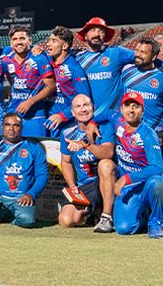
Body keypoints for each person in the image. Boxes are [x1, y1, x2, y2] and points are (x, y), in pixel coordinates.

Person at [112, 92, 163, 239]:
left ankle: (156, 222)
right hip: (130, 188)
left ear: (142, 110)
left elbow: (157, 168)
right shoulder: (116, 121)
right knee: (124, 228)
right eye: (127, 106)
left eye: (136, 106)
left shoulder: (148, 134)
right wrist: (92, 124)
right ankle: (145, 216)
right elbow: (103, 114)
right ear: (121, 109)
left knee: (158, 183)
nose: (131, 110)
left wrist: (126, 178)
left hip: (146, 184)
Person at [57, 95, 115, 230]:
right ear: (72, 112)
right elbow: (66, 162)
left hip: (107, 182)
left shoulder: (105, 127)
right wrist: (72, 185)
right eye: (78, 107)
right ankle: (91, 214)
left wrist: (85, 144)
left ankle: (107, 216)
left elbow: (107, 153)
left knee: (105, 164)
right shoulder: (67, 133)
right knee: (66, 220)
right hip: (85, 185)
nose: (83, 109)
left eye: (86, 105)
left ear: (93, 108)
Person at [75, 17, 135, 123]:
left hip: (112, 120)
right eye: (93, 30)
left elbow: (144, 56)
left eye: (101, 31)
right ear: (85, 35)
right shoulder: (77, 59)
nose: (97, 34)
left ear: (105, 36)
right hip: (87, 119)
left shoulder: (116, 52)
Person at [1, 26, 55, 137]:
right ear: (11, 43)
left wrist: (30, 102)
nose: (18, 42)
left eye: (22, 38)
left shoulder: (39, 58)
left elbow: (51, 86)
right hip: (14, 112)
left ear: (30, 41)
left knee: (36, 146)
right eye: (15, 39)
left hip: (35, 115)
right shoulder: (6, 60)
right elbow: (11, 79)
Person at [45, 26, 91, 136]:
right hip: (45, 119)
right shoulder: (45, 63)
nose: (48, 44)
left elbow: (85, 99)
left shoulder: (74, 68)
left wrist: (62, 116)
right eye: (49, 40)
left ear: (64, 46)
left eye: (54, 41)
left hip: (65, 124)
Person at [121, 38, 163, 136]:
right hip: (128, 130)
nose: (138, 54)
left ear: (154, 57)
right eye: (137, 50)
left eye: (143, 52)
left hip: (155, 132)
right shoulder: (126, 70)